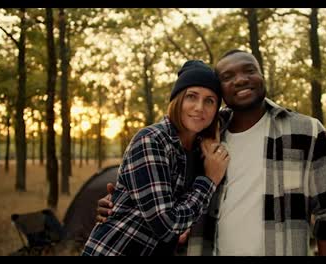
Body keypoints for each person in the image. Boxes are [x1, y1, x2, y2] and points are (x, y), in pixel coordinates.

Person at [96, 50, 326, 256]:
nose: (240, 79)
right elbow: (169, 206)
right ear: (222, 93)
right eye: (228, 76)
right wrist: (121, 205)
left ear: (262, 75)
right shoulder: (204, 138)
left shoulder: (306, 131)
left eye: (249, 70)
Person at [81, 60, 230, 256]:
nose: (199, 107)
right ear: (177, 101)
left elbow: (243, 111)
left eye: (210, 100)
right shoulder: (152, 140)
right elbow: (167, 226)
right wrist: (210, 180)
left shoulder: (199, 148)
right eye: (191, 97)